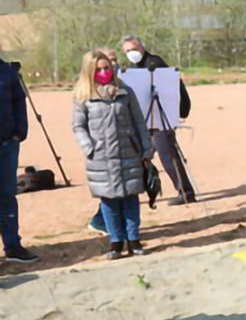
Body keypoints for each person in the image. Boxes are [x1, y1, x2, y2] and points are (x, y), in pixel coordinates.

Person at [71, 50, 154, 259]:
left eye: (106, 67)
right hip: (100, 157)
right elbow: (78, 126)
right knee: (109, 201)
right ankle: (116, 242)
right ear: (89, 71)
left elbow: (139, 123)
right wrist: (89, 147)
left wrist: (146, 149)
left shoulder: (125, 91)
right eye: (98, 69)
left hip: (128, 153)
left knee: (130, 198)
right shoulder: (82, 95)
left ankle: (134, 240)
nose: (103, 72)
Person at [120, 35, 195, 206]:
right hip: (145, 118)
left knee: (168, 155)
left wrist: (181, 110)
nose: (131, 53)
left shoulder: (154, 63)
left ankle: (186, 191)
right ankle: (133, 193)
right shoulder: (134, 68)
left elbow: (172, 87)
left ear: (142, 48)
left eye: (134, 49)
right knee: (139, 155)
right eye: (127, 51)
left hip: (160, 117)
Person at [0, 55, 37, 262]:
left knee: (6, 196)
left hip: (6, 144)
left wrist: (19, 133)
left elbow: (19, 101)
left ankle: (13, 246)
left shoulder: (6, 71)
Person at [86, 48, 119, 235]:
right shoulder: (88, 91)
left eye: (114, 61)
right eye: (109, 61)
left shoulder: (123, 85)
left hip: (126, 144)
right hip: (102, 148)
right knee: (109, 190)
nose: (112, 66)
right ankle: (100, 221)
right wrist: (90, 147)